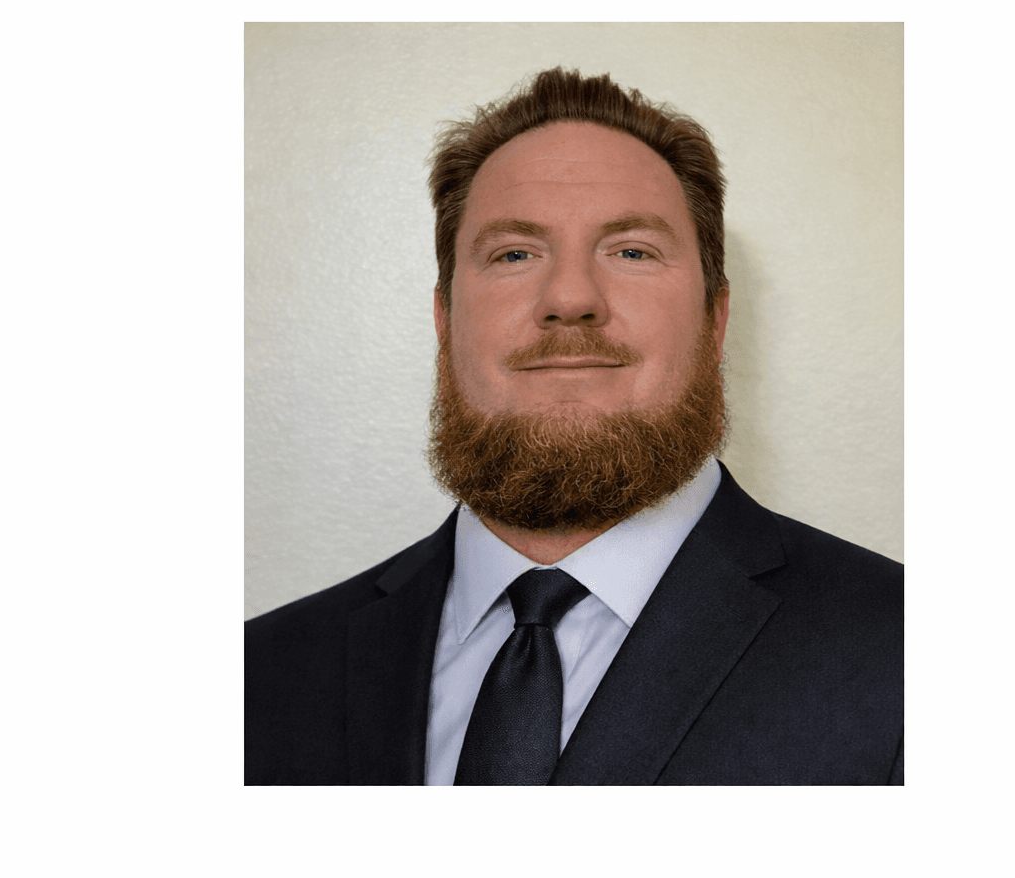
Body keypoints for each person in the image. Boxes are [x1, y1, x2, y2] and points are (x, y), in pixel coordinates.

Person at [245, 67, 903, 785]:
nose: (569, 298)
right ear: (445, 321)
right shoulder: (257, 678)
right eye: (514, 254)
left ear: (716, 322)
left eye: (631, 251)